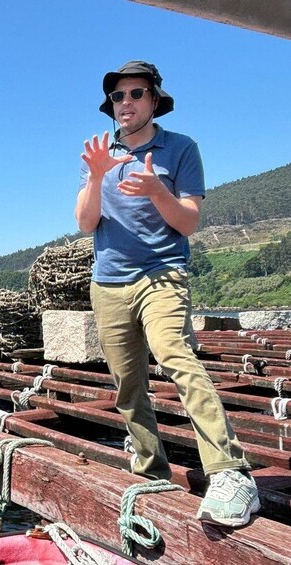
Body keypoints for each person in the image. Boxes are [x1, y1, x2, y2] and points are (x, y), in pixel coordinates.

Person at [74, 60, 260, 527]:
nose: (126, 103)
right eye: (118, 97)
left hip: (162, 275)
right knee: (127, 383)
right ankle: (149, 468)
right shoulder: (102, 152)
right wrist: (97, 176)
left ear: (155, 100)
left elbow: (188, 222)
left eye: (136, 94)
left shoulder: (180, 148)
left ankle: (231, 472)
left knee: (175, 354)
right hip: (108, 283)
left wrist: (158, 190)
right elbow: (84, 222)